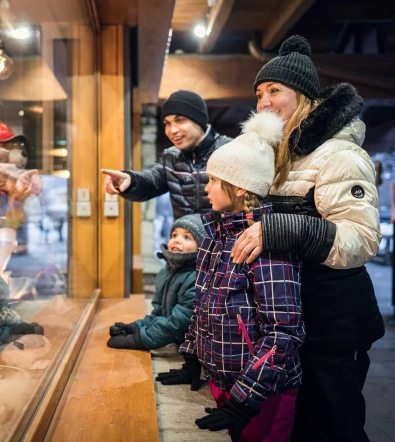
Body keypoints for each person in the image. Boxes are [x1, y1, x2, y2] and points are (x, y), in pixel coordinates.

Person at [231, 35, 385, 442]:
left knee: (336, 426)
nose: (263, 102)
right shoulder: (282, 156)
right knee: (302, 428)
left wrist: (283, 229)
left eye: (274, 91)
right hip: (299, 321)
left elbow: (362, 239)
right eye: (259, 93)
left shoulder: (338, 155)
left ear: (304, 97)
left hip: (335, 323)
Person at [171, 113, 304, 442]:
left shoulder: (265, 245)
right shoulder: (215, 236)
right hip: (222, 380)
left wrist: (246, 399)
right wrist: (192, 355)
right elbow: (202, 306)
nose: (206, 188)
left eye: (214, 180)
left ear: (241, 187)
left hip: (262, 393)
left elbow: (283, 332)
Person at [101, 90, 231, 219]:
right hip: (185, 238)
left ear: (199, 121)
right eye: (167, 123)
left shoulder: (232, 150)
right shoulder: (171, 157)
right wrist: (130, 180)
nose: (172, 130)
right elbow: (151, 181)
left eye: (180, 120)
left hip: (228, 239)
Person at [106, 214, 204, 351]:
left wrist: (139, 339)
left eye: (186, 237)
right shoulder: (170, 271)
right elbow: (160, 313)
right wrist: (135, 327)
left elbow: (177, 324)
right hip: (178, 344)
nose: (177, 240)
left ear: (201, 247)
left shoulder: (197, 279)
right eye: (174, 235)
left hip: (194, 352)